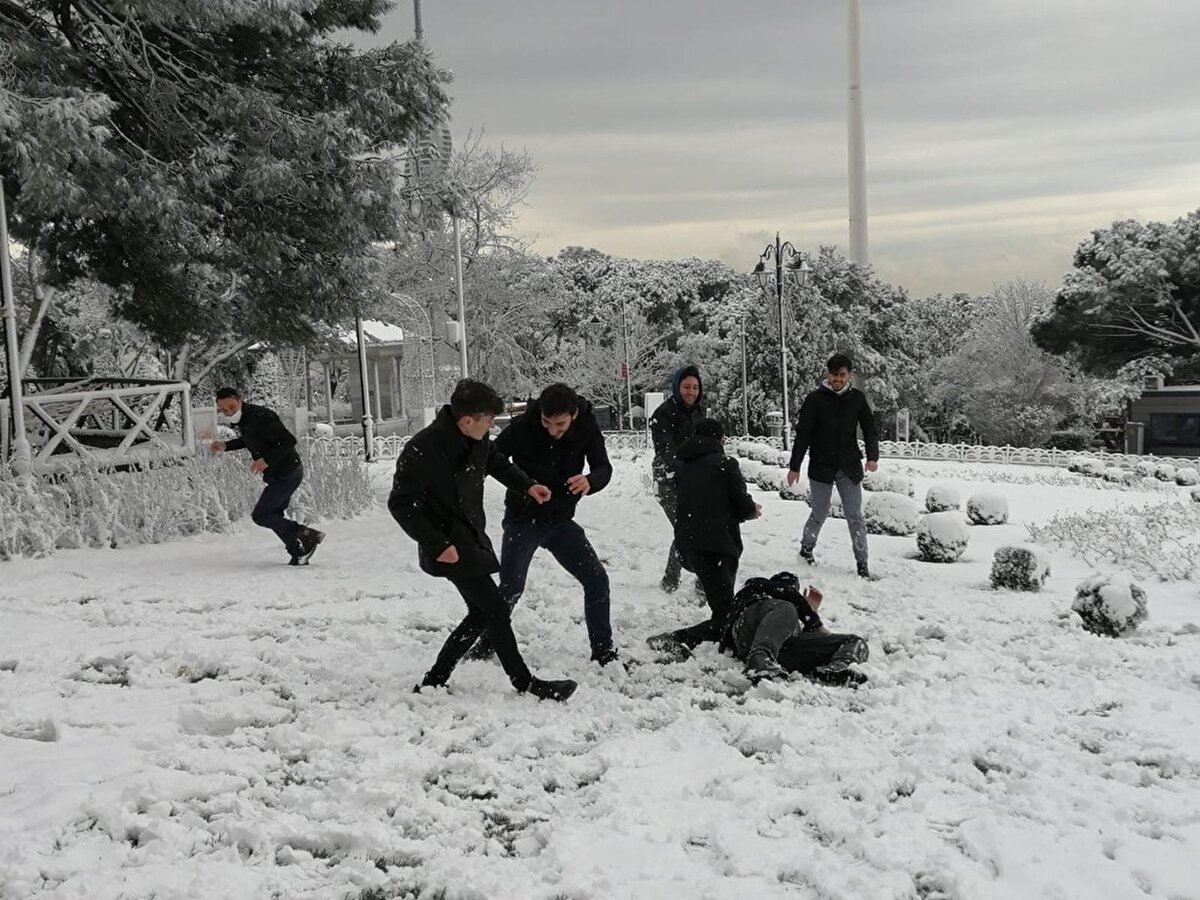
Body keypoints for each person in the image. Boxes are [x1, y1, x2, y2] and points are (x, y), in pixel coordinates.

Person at [388, 379, 577, 702]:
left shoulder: (476, 438)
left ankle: (435, 679)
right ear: (467, 420)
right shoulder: (423, 449)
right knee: (495, 610)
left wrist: (528, 485)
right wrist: (437, 544)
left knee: (481, 614)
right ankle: (526, 683)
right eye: (489, 419)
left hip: (470, 538)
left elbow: (496, 462)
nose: (492, 424)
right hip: (448, 546)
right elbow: (400, 503)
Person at [464, 383, 619, 666]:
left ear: (573, 415)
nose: (552, 430)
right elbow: (490, 457)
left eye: (559, 424)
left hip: (560, 522)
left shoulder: (586, 428)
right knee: (511, 587)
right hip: (523, 518)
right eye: (547, 422)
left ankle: (604, 652)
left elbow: (603, 468)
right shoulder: (525, 426)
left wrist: (590, 481)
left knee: (597, 580)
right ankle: (487, 645)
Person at [647, 418, 760, 656]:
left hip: (690, 545)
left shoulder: (683, 466)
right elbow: (740, 506)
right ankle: (675, 639)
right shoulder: (726, 465)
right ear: (720, 439)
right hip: (718, 546)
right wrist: (753, 510)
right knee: (725, 617)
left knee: (724, 609)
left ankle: (722, 639)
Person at [786, 353, 880, 579]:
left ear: (848, 376)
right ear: (827, 374)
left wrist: (872, 457)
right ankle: (806, 548)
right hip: (821, 466)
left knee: (855, 516)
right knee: (820, 510)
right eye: (833, 375)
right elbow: (803, 434)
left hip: (848, 465)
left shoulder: (857, 398)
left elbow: (869, 428)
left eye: (842, 375)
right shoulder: (815, 399)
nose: (837, 379)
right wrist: (794, 466)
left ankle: (862, 563)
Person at [209, 387, 324, 565]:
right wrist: (226, 446)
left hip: (288, 472)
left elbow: (288, 440)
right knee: (274, 514)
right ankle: (299, 551)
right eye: (224, 410)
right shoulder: (245, 419)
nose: (229, 412)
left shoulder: (260, 416)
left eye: (231, 407)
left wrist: (265, 460)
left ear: (240, 400)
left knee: (261, 515)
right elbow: (250, 439)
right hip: (276, 474)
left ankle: (307, 534)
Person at [723, 571, 869, 686]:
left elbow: (801, 640)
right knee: (787, 608)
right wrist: (812, 619)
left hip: (781, 652)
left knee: (855, 641)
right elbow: (786, 594)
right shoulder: (762, 590)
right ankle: (760, 660)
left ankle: (838, 667)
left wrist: (809, 615)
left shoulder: (789, 613)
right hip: (748, 632)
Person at [649, 365, 705, 592]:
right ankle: (672, 579)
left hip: (695, 480)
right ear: (676, 387)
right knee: (686, 528)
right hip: (668, 480)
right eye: (686, 387)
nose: (690, 392)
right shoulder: (663, 414)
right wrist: (686, 467)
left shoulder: (699, 412)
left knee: (698, 527)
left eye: (695, 387)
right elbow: (667, 451)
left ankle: (701, 577)